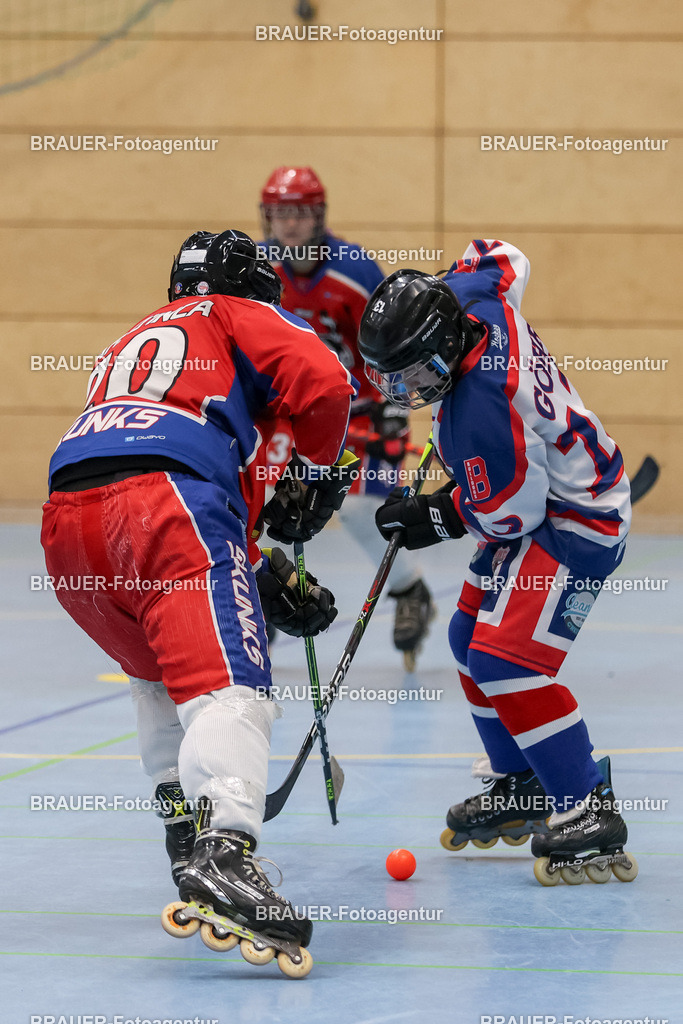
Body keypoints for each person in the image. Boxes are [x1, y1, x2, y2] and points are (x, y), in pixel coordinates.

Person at [40, 229, 358, 974]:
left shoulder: (137, 340)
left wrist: (259, 575)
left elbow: (157, 468)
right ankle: (224, 850)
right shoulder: (234, 312)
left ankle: (185, 831)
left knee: (161, 674)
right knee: (231, 687)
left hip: (67, 525)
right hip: (165, 504)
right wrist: (314, 475)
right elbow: (328, 384)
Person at [358, 238, 639, 886]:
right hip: (549, 502)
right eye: (391, 376)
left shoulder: (478, 410)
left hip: (574, 522)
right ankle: (520, 779)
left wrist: (434, 515)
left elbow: (512, 512)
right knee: (464, 638)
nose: (406, 391)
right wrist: (447, 282)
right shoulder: (476, 295)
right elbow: (500, 253)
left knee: (506, 658)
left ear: (444, 348)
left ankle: (584, 804)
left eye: (415, 375)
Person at [259, 165, 435, 669]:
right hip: (288, 417)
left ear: (319, 216)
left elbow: (392, 344)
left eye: (299, 214)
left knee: (362, 511)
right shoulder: (260, 271)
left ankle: (410, 590)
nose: (288, 225)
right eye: (279, 214)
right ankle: (266, 601)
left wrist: (395, 412)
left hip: (358, 413)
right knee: (264, 508)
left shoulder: (354, 272)